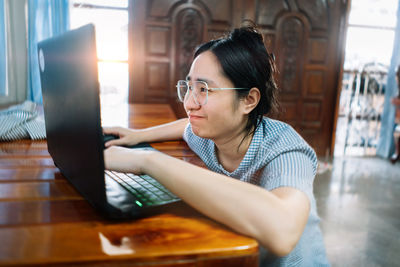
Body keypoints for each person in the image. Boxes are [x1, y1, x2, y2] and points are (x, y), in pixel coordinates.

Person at [103, 24, 330, 266]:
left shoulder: (286, 150)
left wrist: (146, 160)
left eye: (204, 90)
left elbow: (283, 231)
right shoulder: (212, 135)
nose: (189, 103)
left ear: (248, 100)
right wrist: (136, 136)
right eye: (189, 88)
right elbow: (185, 126)